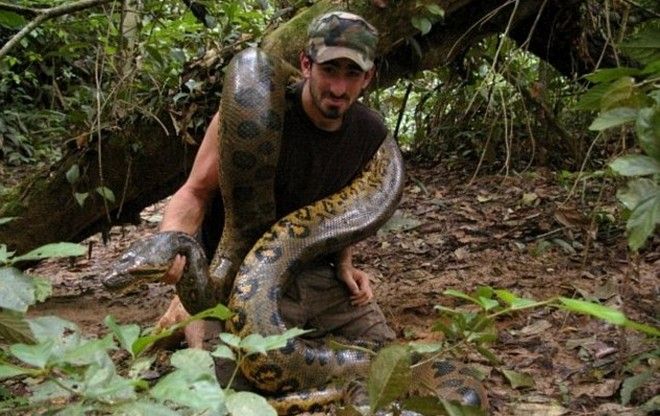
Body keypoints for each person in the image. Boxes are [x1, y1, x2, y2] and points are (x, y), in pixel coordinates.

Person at [156, 11, 396, 349]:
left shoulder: (368, 133)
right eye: (329, 70)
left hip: (307, 270)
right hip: (232, 274)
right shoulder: (247, 114)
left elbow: (340, 202)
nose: (339, 88)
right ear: (306, 65)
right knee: (228, 381)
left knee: (384, 355)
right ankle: (188, 317)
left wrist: (344, 263)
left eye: (352, 74)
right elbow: (194, 193)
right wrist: (171, 245)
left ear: (367, 78)